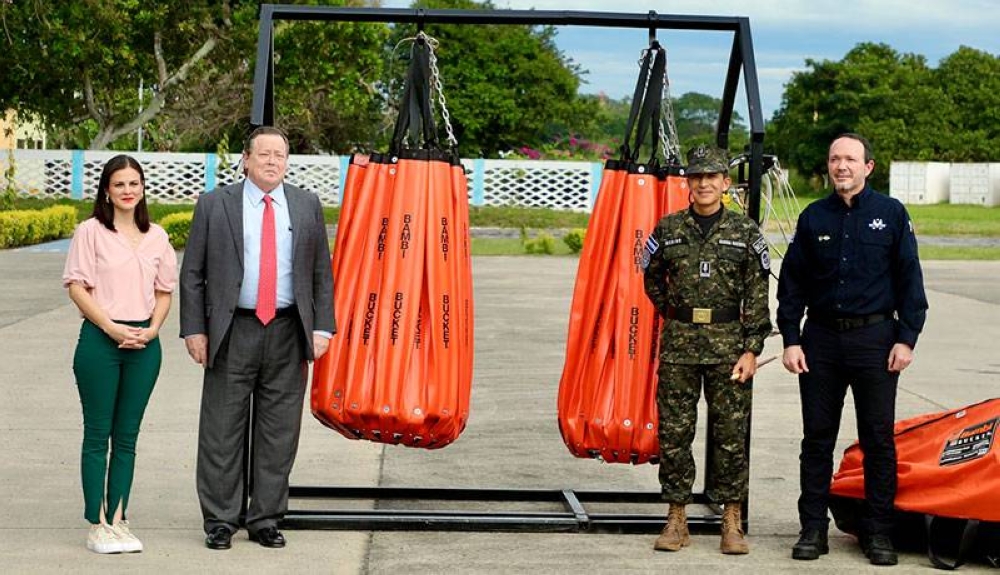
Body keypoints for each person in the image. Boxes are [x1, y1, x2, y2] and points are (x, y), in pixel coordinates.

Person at [179, 126, 335, 550]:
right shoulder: (215, 205)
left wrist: (322, 327)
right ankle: (221, 520)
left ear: (287, 161)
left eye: (279, 155)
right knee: (222, 429)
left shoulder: (305, 206)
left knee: (278, 430)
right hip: (232, 330)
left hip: (287, 330)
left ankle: (265, 517)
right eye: (263, 154)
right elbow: (193, 273)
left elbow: (322, 272)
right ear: (245, 159)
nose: (272, 161)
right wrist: (194, 329)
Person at [778, 133, 928, 566]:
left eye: (850, 159)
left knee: (878, 440)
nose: (841, 166)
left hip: (876, 342)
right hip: (820, 341)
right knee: (817, 439)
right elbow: (792, 285)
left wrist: (907, 337)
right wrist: (791, 338)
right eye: (834, 159)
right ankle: (812, 529)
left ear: (869, 167)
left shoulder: (891, 215)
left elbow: (909, 281)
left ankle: (878, 533)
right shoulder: (812, 218)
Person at [643, 144, 771, 555]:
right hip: (680, 346)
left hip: (728, 348)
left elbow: (757, 292)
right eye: (697, 177)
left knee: (731, 436)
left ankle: (731, 519)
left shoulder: (745, 231)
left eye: (711, 176)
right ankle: (676, 517)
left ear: (725, 183)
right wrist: (677, 313)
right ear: (689, 183)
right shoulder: (668, 229)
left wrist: (752, 348)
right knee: (676, 434)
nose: (704, 183)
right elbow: (651, 278)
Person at [63, 155, 177, 554]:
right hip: (100, 342)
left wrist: (153, 329)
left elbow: (164, 292)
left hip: (144, 345)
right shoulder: (90, 232)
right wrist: (111, 328)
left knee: (127, 436)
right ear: (106, 191)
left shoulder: (158, 236)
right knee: (98, 433)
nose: (128, 190)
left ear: (142, 188)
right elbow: (77, 286)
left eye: (134, 183)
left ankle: (118, 519)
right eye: (119, 184)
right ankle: (96, 523)